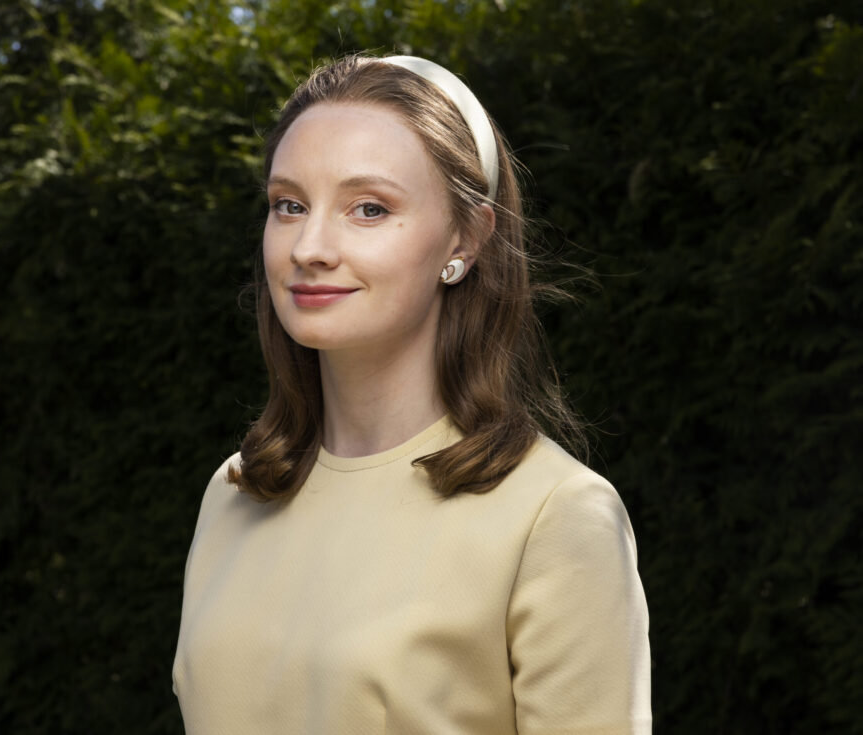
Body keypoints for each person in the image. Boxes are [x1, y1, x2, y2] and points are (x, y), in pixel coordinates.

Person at [172, 53, 651, 734]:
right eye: (289, 205)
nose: (309, 246)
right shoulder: (233, 492)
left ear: (467, 237)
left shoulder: (555, 516)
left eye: (369, 209)